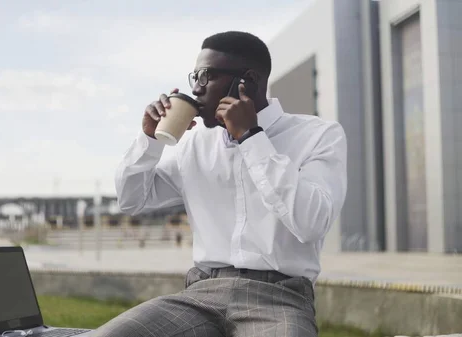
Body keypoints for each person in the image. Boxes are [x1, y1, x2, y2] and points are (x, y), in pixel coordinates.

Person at [94, 31, 348, 337]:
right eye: (194, 78)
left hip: (280, 297)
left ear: (248, 81)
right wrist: (149, 140)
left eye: (206, 77)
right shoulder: (196, 144)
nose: (196, 89)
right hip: (200, 294)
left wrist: (251, 138)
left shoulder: (318, 135)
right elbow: (132, 199)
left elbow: (311, 223)